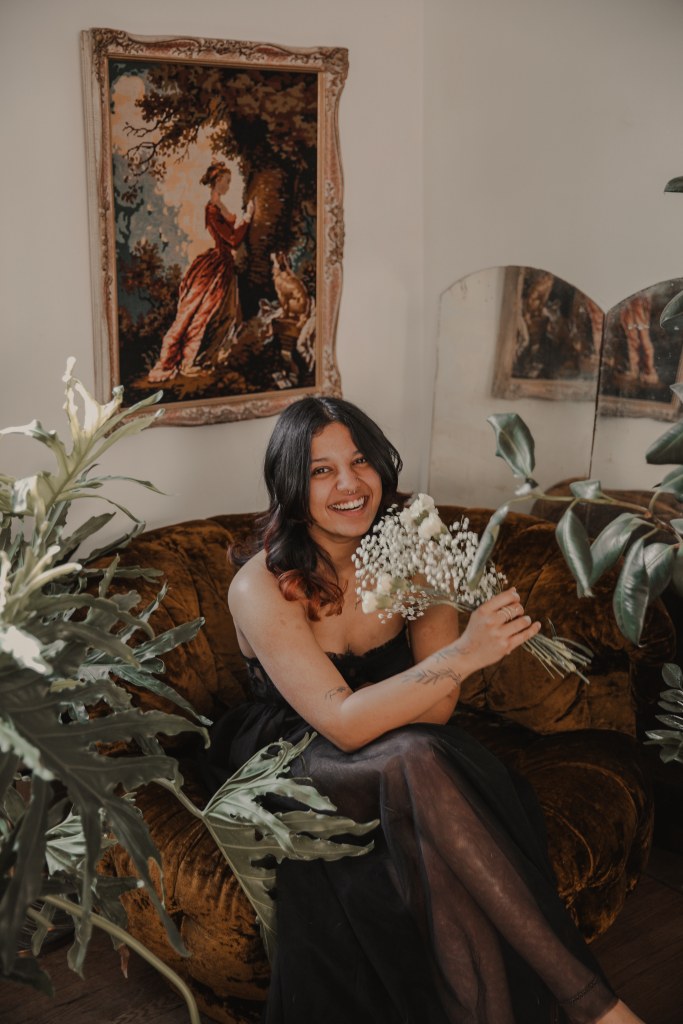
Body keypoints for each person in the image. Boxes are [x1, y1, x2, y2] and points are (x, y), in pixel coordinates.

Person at [201, 396, 645, 1024]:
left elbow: (436, 713)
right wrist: (466, 653)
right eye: (322, 470)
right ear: (291, 487)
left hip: (405, 747)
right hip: (293, 757)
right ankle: (600, 1009)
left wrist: (448, 624)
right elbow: (343, 724)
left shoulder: (413, 550)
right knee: (415, 760)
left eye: (360, 461)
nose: (350, 484)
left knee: (427, 800)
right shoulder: (261, 584)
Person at [148, 161, 254, 383]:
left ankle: (206, 357)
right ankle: (188, 361)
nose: (228, 186)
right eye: (226, 181)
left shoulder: (219, 205)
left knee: (224, 314)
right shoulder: (211, 209)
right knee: (201, 314)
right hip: (217, 266)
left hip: (225, 265)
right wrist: (247, 219)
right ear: (217, 181)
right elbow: (232, 239)